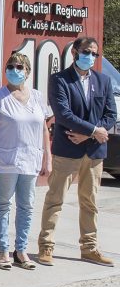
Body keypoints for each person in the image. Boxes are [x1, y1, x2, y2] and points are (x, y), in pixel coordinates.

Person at [37, 36, 117, 267]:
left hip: (93, 153)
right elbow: (63, 114)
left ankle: (90, 248)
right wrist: (93, 130)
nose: (90, 57)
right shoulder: (59, 80)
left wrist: (90, 134)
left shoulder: (102, 81)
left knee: (89, 202)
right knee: (55, 199)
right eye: (86, 52)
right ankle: (46, 246)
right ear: (74, 52)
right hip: (67, 149)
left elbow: (111, 114)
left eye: (94, 53)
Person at [0, 53, 51, 271]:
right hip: (5, 160)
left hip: (31, 159)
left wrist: (47, 158)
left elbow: (44, 129)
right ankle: (3, 250)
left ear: (27, 71)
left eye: (19, 66)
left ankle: (21, 250)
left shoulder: (38, 97)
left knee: (27, 206)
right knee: (3, 205)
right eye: (10, 66)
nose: (14, 70)